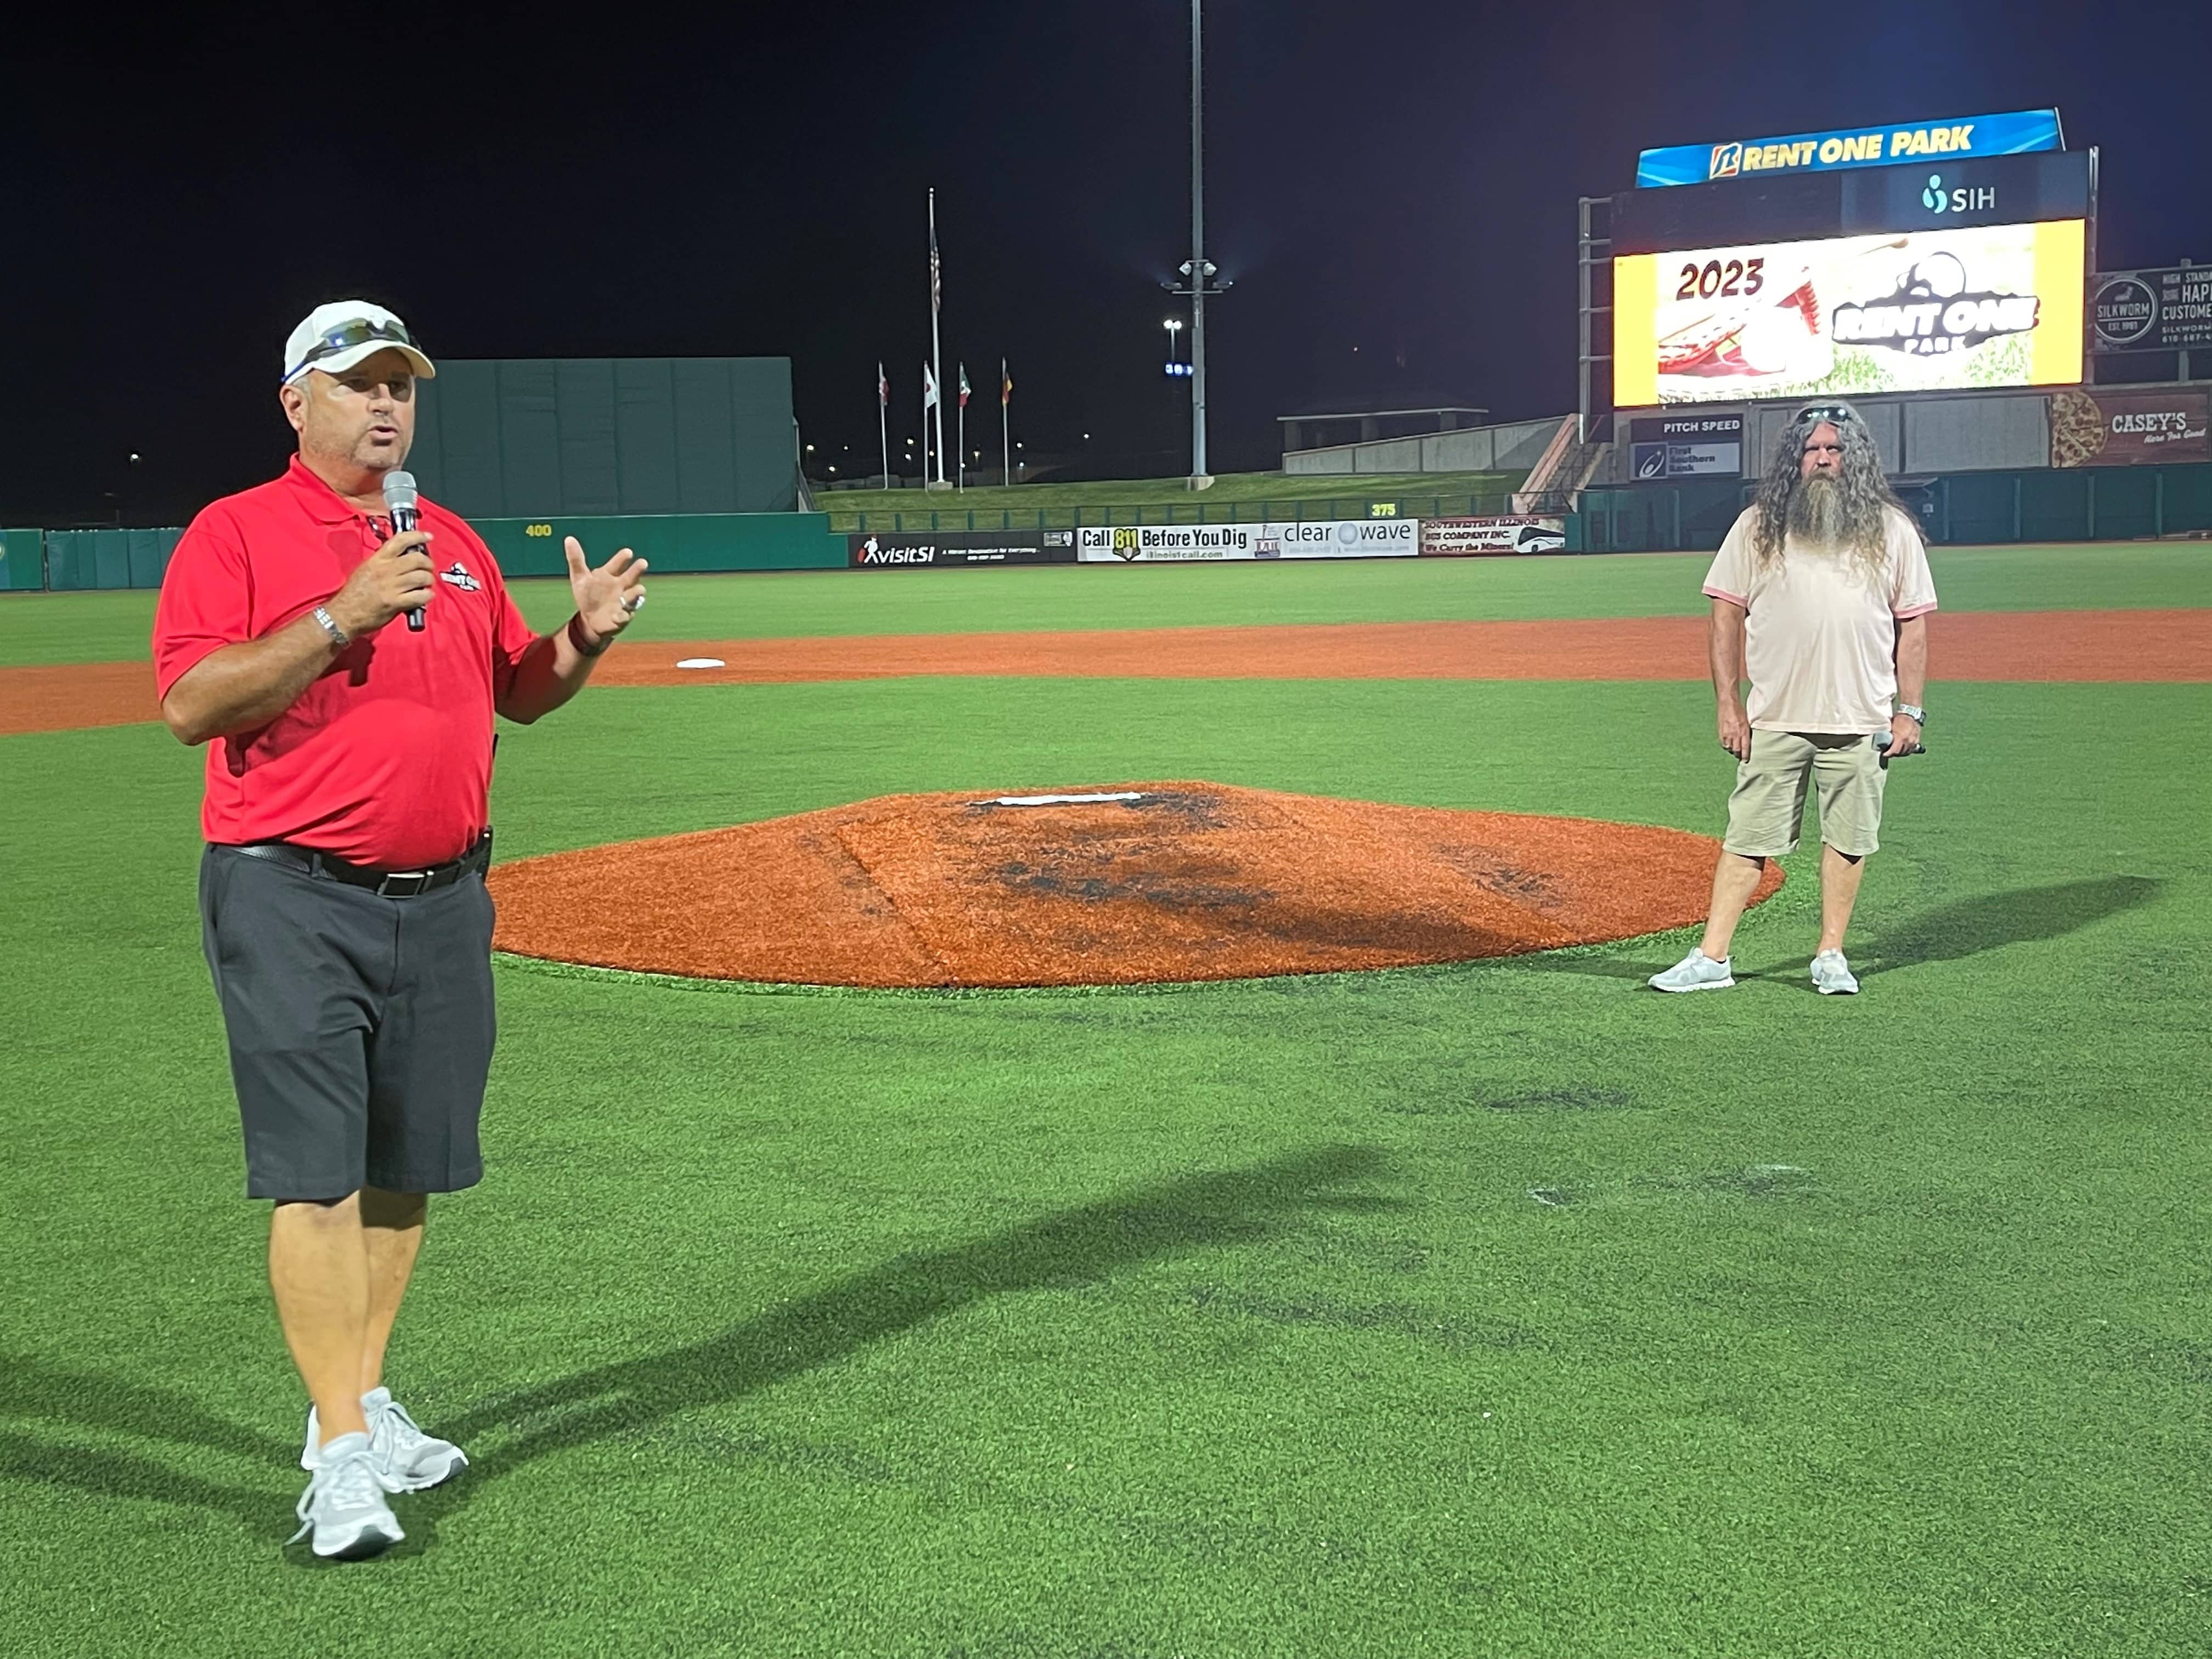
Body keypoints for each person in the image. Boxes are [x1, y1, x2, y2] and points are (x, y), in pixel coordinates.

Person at [152, 301, 649, 1558]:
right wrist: (340, 617)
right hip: (290, 892)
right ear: (296, 404)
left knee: (405, 1167)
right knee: (315, 1174)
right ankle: (341, 1459)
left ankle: (359, 1404)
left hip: (442, 903)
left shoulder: (456, 542)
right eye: (360, 383)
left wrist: (579, 641)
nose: (387, 405)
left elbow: (514, 696)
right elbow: (192, 701)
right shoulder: (238, 533)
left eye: (402, 386)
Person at [1650, 400, 1934, 997]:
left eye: (1835, 450)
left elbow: (1912, 627)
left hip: (1860, 718)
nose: (1824, 460)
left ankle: (1831, 954)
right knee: (1747, 841)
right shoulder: (1759, 526)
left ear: (1855, 459)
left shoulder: (1892, 530)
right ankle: (1712, 958)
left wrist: (1909, 710)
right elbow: (1725, 615)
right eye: (1813, 450)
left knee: (1849, 840)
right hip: (1775, 716)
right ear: (1795, 460)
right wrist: (1729, 704)